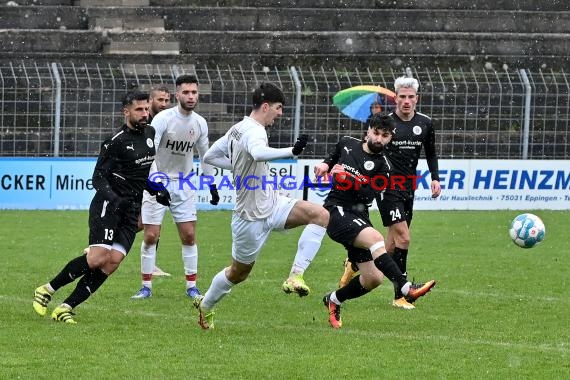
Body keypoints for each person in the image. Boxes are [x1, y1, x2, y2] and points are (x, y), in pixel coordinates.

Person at [194, 82, 329, 329]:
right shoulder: (254, 131)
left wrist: (236, 166)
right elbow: (256, 153)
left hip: (273, 203)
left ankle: (295, 275)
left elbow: (209, 157)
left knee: (319, 214)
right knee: (238, 273)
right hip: (250, 217)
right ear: (265, 106)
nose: (280, 113)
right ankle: (206, 306)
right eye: (278, 108)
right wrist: (291, 150)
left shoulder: (237, 129)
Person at [32, 91, 171, 324]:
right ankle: (46, 289)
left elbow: (139, 175)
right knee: (97, 258)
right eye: (139, 110)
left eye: (147, 109)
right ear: (126, 111)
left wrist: (156, 189)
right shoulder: (115, 141)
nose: (145, 114)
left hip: (131, 209)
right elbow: (98, 178)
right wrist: (115, 199)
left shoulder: (150, 134)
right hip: (108, 205)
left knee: (112, 261)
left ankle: (65, 307)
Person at [316, 114, 436, 329]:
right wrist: (325, 165)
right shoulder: (346, 143)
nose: (379, 139)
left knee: (373, 279)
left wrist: (349, 178)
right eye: (376, 133)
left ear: (390, 138)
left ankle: (333, 299)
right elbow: (332, 158)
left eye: (385, 136)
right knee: (376, 238)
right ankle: (406, 288)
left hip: (359, 217)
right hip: (336, 211)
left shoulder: (384, 167)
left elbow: (367, 195)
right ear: (368, 131)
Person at [338, 76, 441, 310]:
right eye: (402, 97)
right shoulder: (386, 124)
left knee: (393, 243)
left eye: (410, 97)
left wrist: (435, 178)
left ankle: (354, 263)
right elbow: (369, 146)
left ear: (417, 99)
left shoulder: (425, 123)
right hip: (386, 186)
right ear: (396, 98)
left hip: (408, 187)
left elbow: (431, 153)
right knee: (403, 236)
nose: (406, 101)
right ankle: (402, 294)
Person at [131, 75, 220, 300]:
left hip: (184, 183)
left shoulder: (200, 123)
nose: (191, 97)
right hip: (158, 180)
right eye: (186, 93)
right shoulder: (163, 119)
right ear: (177, 95)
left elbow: (206, 156)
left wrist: (212, 185)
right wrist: (154, 183)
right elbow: (149, 152)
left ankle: (192, 287)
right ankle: (146, 287)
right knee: (151, 235)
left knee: (189, 235)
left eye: (194, 93)